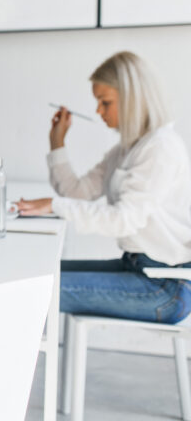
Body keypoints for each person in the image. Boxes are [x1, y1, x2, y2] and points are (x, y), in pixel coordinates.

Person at [17, 51, 191, 323]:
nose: (98, 111)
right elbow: (77, 192)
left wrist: (53, 206)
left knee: (29, 289)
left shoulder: (160, 149)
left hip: (164, 287)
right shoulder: (127, 149)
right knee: (32, 275)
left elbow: (123, 221)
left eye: (104, 102)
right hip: (136, 268)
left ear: (134, 100)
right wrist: (57, 143)